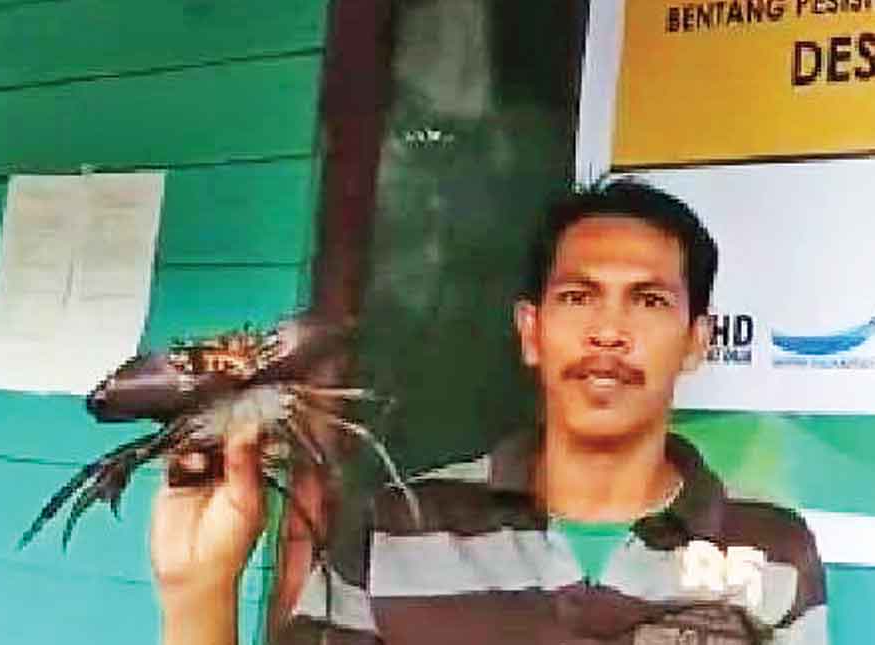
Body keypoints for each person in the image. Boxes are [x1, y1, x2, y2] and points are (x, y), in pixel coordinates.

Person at [152, 178, 828, 644]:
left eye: (649, 300)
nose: (608, 331)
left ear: (697, 341)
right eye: (578, 296)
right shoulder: (396, 530)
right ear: (531, 330)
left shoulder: (773, 551)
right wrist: (198, 593)